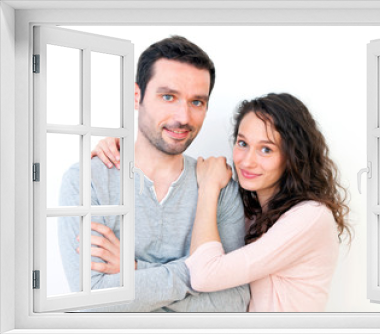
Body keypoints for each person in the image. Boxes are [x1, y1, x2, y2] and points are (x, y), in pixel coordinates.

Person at [58, 36, 250, 312]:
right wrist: (199, 271)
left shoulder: (219, 187)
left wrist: (134, 270)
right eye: (168, 96)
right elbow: (94, 302)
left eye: (197, 102)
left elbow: (233, 302)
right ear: (137, 97)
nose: (183, 117)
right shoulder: (88, 181)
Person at [186, 93, 351, 312]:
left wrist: (209, 188)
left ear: (293, 155)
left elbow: (204, 276)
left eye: (266, 149)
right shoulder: (252, 212)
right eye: (243, 143)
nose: (247, 161)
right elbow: (195, 258)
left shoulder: (311, 216)